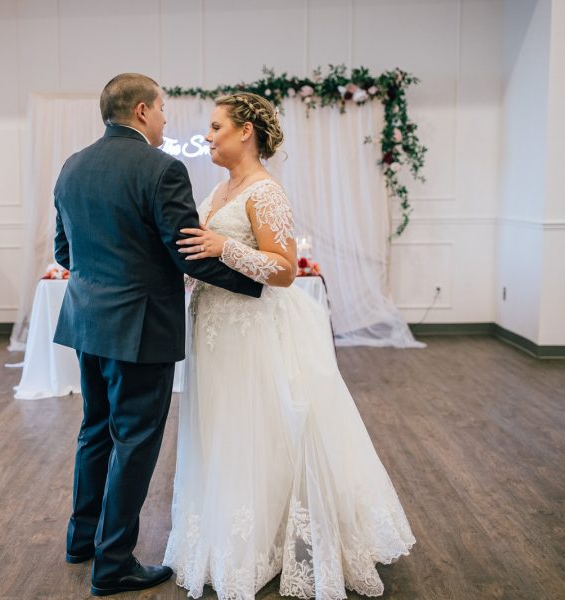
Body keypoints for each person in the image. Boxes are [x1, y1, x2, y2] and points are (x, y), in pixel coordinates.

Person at [163, 92, 415, 600]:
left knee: (258, 428)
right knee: (221, 428)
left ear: (245, 132)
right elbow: (207, 256)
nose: (208, 137)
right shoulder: (219, 191)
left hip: (252, 331)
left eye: (216, 127)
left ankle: (274, 539)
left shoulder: (265, 191)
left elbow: (282, 270)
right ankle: (230, 538)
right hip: (213, 329)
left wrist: (224, 246)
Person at [52, 74, 263, 597]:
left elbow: (64, 253)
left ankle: (82, 541)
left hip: (87, 321)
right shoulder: (161, 169)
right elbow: (187, 251)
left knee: (95, 430)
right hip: (140, 328)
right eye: (164, 109)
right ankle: (114, 564)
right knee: (136, 441)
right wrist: (255, 282)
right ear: (142, 111)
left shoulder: (71, 166)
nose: (167, 120)